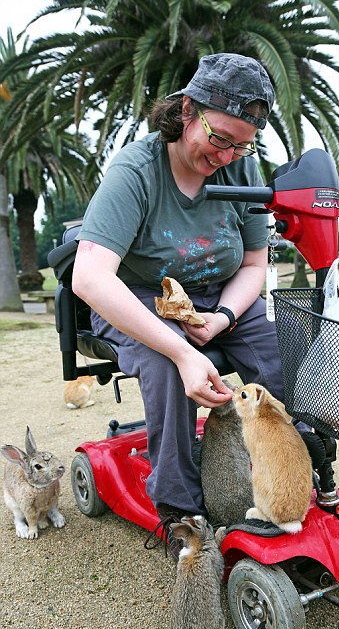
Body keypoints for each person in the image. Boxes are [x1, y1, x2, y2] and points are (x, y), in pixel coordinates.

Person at [72, 53, 287, 553]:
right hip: (140, 298)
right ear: (188, 111)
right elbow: (89, 276)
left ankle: (290, 472)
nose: (228, 157)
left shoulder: (242, 170)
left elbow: (254, 265)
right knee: (165, 363)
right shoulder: (137, 169)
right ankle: (178, 509)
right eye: (219, 140)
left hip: (221, 297)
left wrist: (226, 316)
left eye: (242, 145)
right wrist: (184, 351)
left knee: (285, 347)